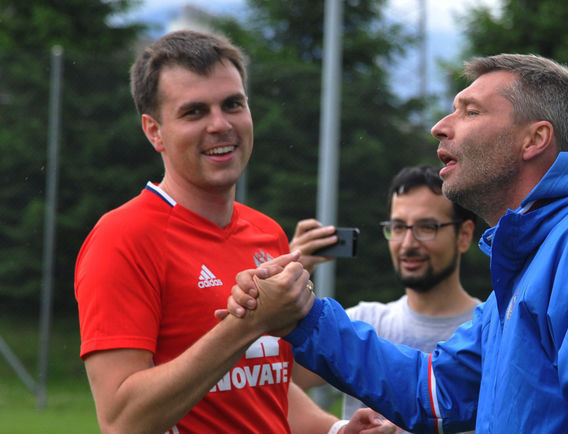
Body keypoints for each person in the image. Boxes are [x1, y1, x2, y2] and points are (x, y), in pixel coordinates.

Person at [226, 53, 568, 433]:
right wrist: (303, 315)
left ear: (534, 139)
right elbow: (436, 392)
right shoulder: (538, 253)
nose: (440, 125)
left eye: (470, 111)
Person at [73, 29, 392, 434]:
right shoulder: (121, 238)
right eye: (194, 112)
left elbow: (263, 383)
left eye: (232, 104)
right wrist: (246, 325)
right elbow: (123, 421)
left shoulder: (266, 233)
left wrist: (337, 430)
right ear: (154, 131)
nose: (220, 125)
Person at [290, 166, 480, 432]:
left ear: (465, 235)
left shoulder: (489, 331)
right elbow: (271, 379)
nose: (408, 243)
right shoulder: (359, 322)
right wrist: (292, 279)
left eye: (427, 227)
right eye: (398, 227)